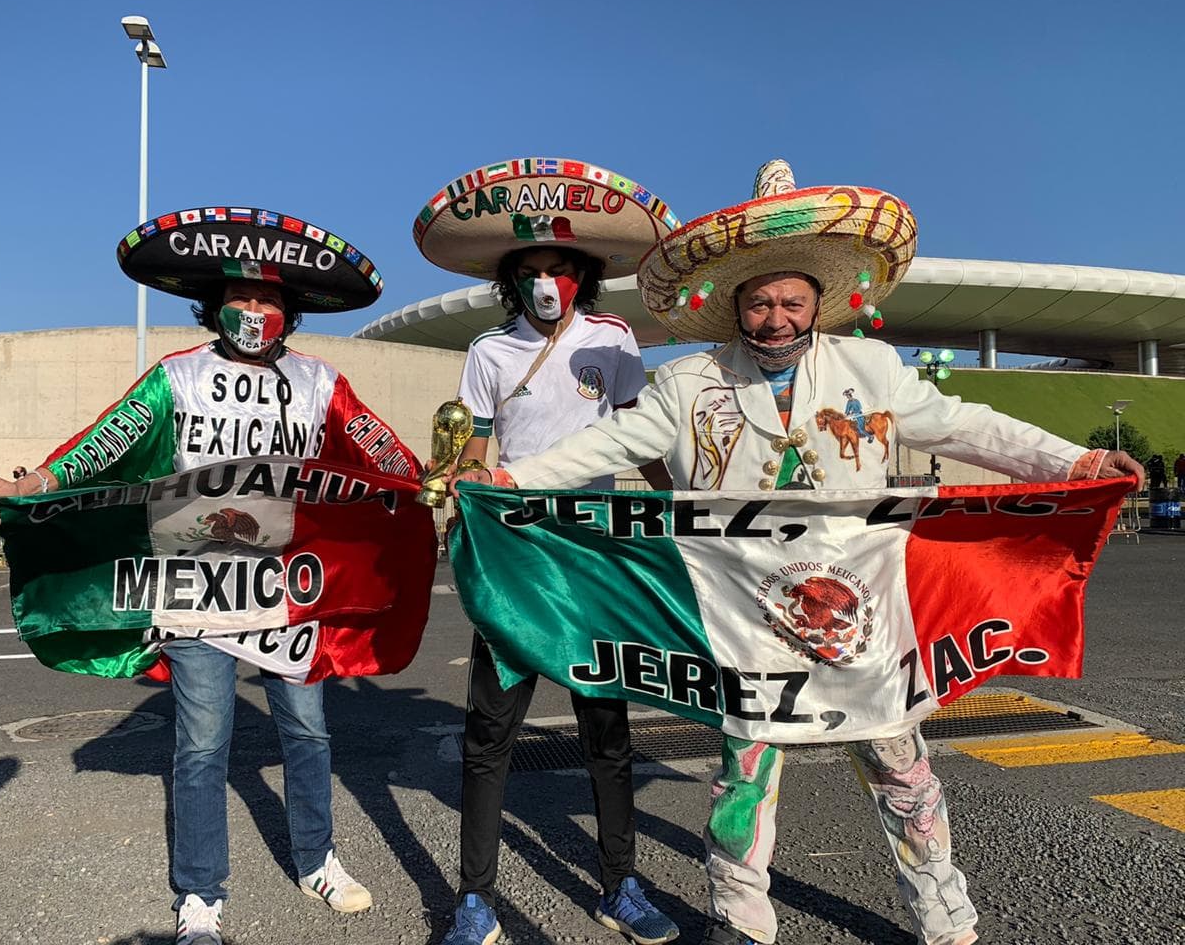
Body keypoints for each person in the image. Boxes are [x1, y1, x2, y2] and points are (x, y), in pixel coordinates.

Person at [453, 159, 1144, 945]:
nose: (775, 317)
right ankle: (740, 922)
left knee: (902, 769)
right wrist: (506, 479)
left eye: (790, 301)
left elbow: (964, 426)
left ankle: (945, 919)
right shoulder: (689, 384)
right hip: (749, 625)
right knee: (742, 781)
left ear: (818, 303)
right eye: (759, 302)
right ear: (734, 306)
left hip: (864, 617)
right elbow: (603, 444)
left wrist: (1073, 463)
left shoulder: (871, 368)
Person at [0, 207, 415, 945]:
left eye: (270, 298)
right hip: (194, 582)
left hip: (288, 585)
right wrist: (35, 486)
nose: (254, 309)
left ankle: (318, 860)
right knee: (203, 743)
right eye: (240, 295)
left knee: (307, 729)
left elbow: (384, 454)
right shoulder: (176, 376)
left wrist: (441, 481)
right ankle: (201, 894)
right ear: (213, 303)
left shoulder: (318, 383)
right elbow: (103, 444)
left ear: (290, 310)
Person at [413, 157, 681, 945]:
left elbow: (642, 436)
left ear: (584, 276)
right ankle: (474, 900)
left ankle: (621, 884)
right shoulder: (490, 353)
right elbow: (471, 445)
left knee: (607, 725)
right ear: (511, 281)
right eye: (530, 271)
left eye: (560, 269)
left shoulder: (614, 339)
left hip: (594, 554)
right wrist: (458, 492)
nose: (546, 283)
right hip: (515, 555)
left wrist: (679, 508)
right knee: (491, 733)